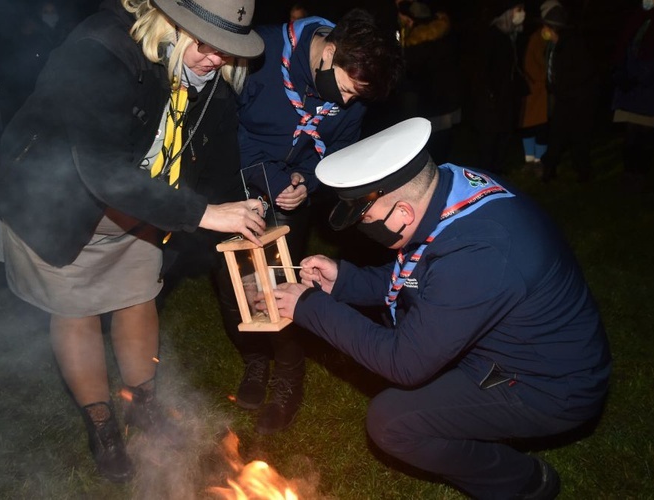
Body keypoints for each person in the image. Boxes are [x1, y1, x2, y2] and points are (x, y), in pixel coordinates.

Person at [0, 0, 266, 483]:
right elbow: (99, 167)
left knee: (139, 297)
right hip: (59, 205)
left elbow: (219, 167)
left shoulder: (210, 81)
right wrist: (201, 213)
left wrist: (247, 206)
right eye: (205, 43)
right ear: (173, 22)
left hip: (142, 205)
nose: (216, 59)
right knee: (75, 310)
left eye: (227, 50)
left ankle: (143, 406)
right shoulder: (101, 51)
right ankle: (102, 425)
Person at [266, 117, 611, 499]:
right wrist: (345, 282)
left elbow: (405, 363)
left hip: (547, 386)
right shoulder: (447, 190)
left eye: (365, 220)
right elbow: (418, 275)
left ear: (403, 215)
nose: (364, 231)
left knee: (392, 422)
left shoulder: (479, 255)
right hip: (514, 349)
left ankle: (524, 483)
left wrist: (311, 308)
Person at [216, 8, 403, 435]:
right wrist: (276, 177)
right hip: (232, 185)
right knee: (234, 287)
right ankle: (255, 361)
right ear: (329, 51)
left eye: (358, 97)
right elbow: (225, 130)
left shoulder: (350, 89)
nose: (348, 102)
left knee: (279, 283)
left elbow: (337, 150)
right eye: (346, 90)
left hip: (289, 199)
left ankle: (288, 373)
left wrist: (307, 183)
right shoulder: (258, 54)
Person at [610, 0, 654, 190]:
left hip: (652, 87)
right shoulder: (639, 14)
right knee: (630, 131)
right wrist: (621, 70)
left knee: (646, 133)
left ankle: (639, 173)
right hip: (631, 85)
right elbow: (626, 42)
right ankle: (628, 172)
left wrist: (640, 74)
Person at [538, 0, 599, 183]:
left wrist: (561, 87)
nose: (543, 29)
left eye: (546, 25)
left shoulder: (572, 43)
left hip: (578, 99)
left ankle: (583, 172)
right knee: (557, 135)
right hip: (564, 98)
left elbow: (581, 72)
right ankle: (550, 169)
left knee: (578, 137)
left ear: (553, 26)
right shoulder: (554, 45)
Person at [395, 0, 462, 164]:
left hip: (428, 104)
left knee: (431, 147)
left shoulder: (416, 43)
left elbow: (411, 76)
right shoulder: (444, 35)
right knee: (442, 143)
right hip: (445, 101)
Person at [468, 0, 528, 174]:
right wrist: (489, 96)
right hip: (490, 103)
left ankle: (497, 172)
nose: (522, 13)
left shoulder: (512, 36)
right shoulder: (492, 36)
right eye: (518, 9)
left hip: (505, 99)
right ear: (508, 13)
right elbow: (482, 71)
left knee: (503, 137)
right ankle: (486, 176)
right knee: (489, 141)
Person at [517, 22, 549, 176]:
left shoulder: (541, 38)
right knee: (531, 126)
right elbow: (531, 65)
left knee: (539, 126)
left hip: (540, 92)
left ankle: (538, 161)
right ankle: (531, 161)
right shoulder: (535, 39)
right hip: (534, 90)